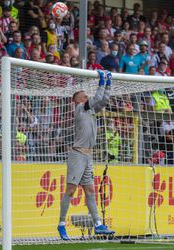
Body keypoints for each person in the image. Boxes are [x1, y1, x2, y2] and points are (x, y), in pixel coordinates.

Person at [58, 71, 115, 240]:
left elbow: (103, 100)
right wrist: (101, 82)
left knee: (90, 190)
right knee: (71, 190)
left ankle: (98, 224)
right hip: (77, 155)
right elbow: (96, 99)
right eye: (84, 95)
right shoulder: (79, 108)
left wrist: (108, 85)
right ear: (78, 99)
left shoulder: (90, 111)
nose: (87, 96)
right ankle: (61, 224)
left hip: (88, 157)